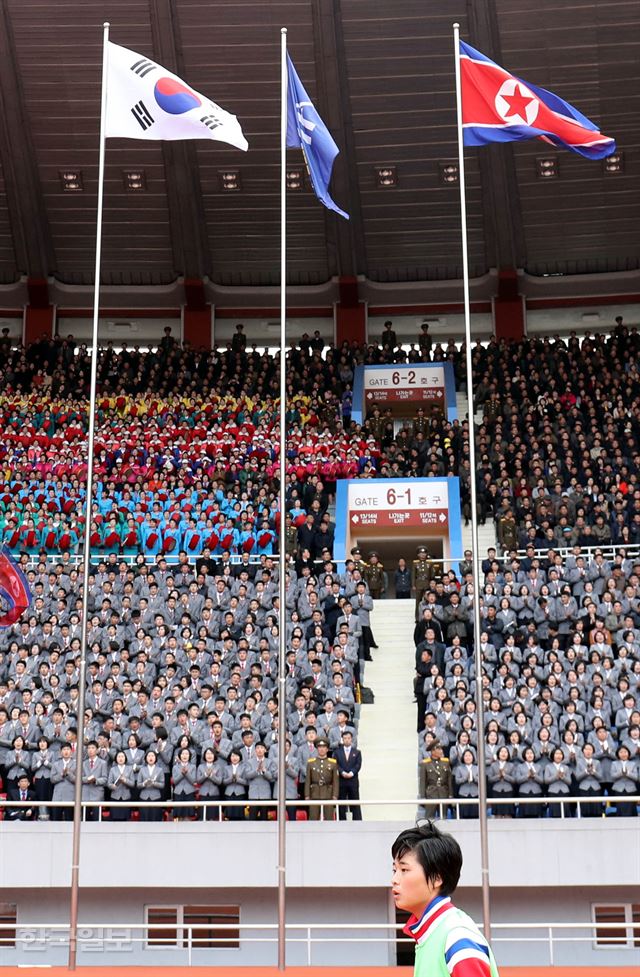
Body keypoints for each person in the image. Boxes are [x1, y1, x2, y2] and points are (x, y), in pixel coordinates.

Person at [392, 821, 500, 977]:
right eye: (394, 869)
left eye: (404, 870)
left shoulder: (457, 937)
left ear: (437, 878)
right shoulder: (431, 934)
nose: (394, 879)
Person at [304, 737, 338, 821]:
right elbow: (308, 780)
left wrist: (335, 795)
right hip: (315, 793)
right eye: (319, 747)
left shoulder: (333, 763)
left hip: (328, 793)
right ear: (317, 749)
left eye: (324, 747)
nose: (322, 749)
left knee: (329, 818)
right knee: (313, 817)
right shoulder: (311, 763)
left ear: (327, 749)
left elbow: (335, 781)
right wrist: (307, 795)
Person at [418, 740, 452, 819]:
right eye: (439, 749)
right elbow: (423, 782)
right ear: (433, 751)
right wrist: (422, 797)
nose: (441, 751)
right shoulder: (425, 763)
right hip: (431, 793)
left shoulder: (446, 762)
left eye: (441, 749)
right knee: (429, 818)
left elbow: (449, 780)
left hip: (443, 792)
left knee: (443, 817)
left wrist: (450, 794)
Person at [334, 730, 362, 820]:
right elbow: (336, 764)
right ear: (342, 739)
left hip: (353, 780)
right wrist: (342, 772)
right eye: (345, 738)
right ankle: (342, 821)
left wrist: (351, 773)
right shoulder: (337, 752)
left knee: (355, 802)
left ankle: (357, 821)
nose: (346, 740)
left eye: (348, 738)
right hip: (341, 780)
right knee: (342, 802)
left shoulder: (357, 752)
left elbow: (358, 765)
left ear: (352, 739)